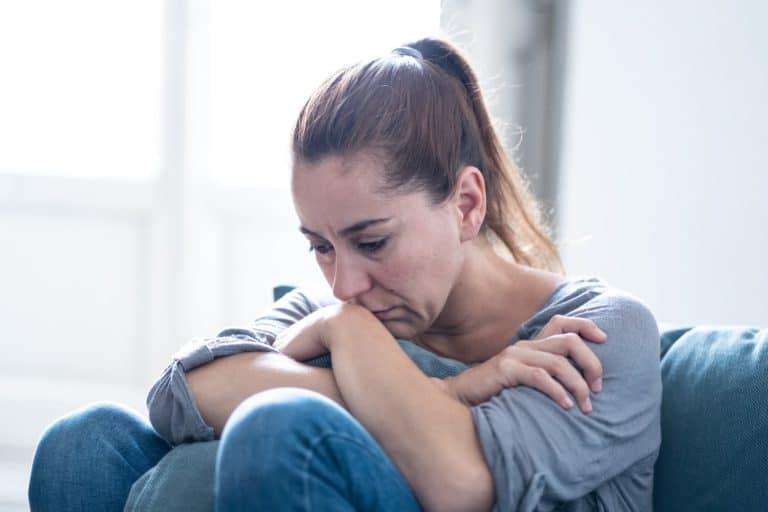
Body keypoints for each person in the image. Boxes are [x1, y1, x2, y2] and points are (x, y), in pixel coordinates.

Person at [29, 38, 661, 511]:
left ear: (467, 205)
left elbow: (459, 479)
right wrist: (449, 390)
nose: (344, 286)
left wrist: (350, 341)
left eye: (373, 241)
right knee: (83, 443)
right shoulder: (339, 308)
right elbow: (180, 394)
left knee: (277, 430)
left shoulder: (601, 332)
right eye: (320, 247)